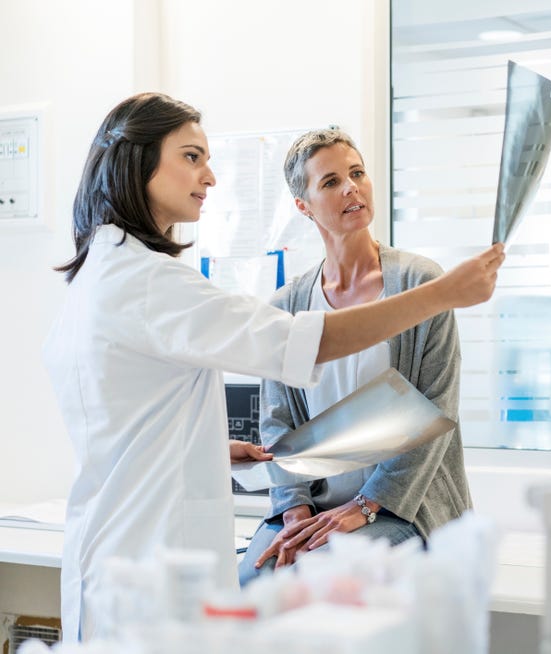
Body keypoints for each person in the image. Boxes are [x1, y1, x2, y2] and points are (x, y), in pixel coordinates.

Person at [42, 93, 504, 642]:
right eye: (191, 157)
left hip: (381, 510)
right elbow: (298, 354)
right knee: (267, 585)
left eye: (357, 173)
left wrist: (208, 448)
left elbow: (122, 419)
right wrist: (446, 293)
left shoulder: (103, 272)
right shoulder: (155, 283)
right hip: (151, 550)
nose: (210, 177)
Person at [238, 129, 471, 583]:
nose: (351, 188)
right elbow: (276, 422)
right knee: (254, 578)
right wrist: (294, 512)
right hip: (318, 506)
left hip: (403, 506)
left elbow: (437, 410)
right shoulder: (287, 305)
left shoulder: (421, 284)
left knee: (321, 579)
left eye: (357, 173)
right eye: (330, 182)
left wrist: (364, 506)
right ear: (302, 205)